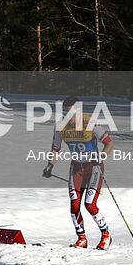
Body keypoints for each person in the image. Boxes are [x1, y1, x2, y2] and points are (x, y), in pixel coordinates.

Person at [43, 96, 112, 249]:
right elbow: (56, 148)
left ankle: (106, 234)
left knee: (89, 204)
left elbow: (109, 143)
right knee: (74, 204)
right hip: (76, 168)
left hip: (94, 167)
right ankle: (82, 238)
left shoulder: (90, 123)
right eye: (67, 113)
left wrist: (101, 156)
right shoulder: (61, 126)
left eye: (73, 113)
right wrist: (50, 165)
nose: (70, 117)